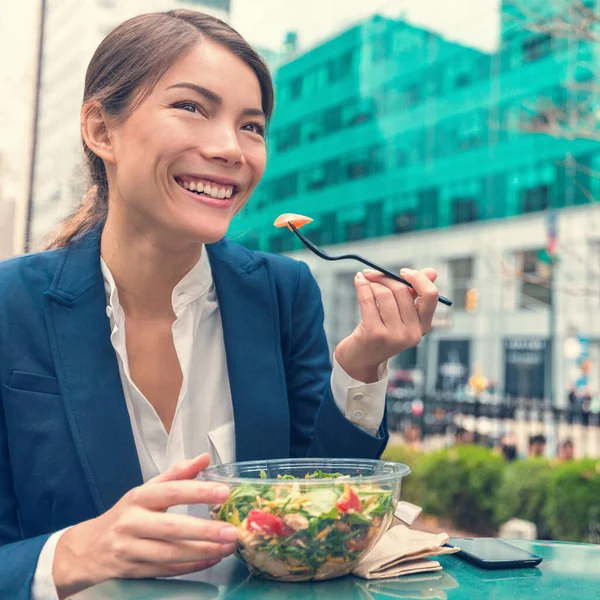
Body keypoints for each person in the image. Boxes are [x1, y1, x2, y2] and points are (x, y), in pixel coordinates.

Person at [0, 10, 440, 600]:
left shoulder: (285, 293)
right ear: (102, 130)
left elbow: (318, 500)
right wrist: (74, 552)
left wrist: (363, 363)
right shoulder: (12, 305)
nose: (231, 148)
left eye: (251, 126)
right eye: (191, 107)